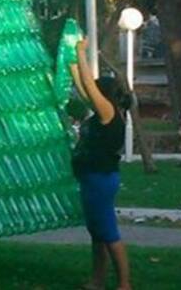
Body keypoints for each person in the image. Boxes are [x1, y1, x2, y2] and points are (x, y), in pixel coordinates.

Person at [68, 39, 132, 290]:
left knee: (108, 233)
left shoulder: (108, 113)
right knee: (97, 234)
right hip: (92, 178)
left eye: (96, 91)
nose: (90, 94)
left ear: (103, 94)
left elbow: (88, 87)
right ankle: (97, 280)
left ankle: (124, 284)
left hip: (100, 179)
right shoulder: (103, 112)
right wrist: (72, 64)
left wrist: (80, 52)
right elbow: (85, 88)